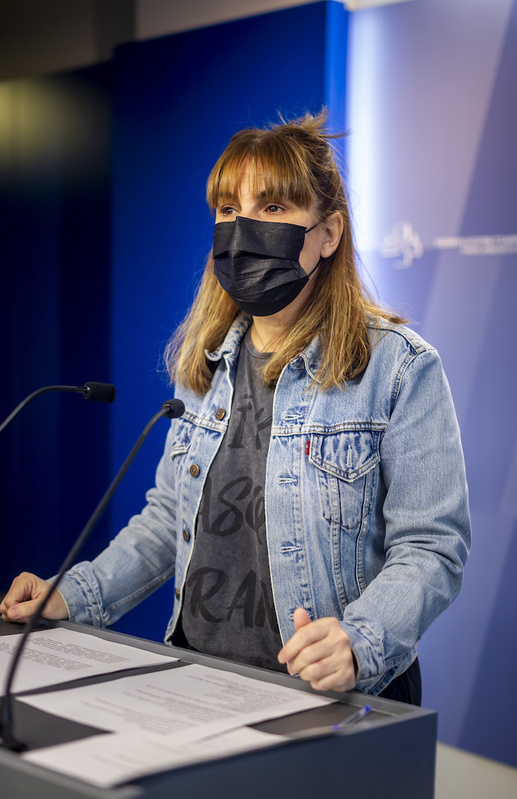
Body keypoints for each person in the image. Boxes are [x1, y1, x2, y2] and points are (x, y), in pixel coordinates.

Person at [0, 111, 471, 704]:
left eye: (272, 208)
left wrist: (359, 642)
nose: (243, 230)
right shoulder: (204, 363)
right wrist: (72, 594)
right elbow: (167, 519)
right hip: (202, 685)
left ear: (328, 233)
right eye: (228, 209)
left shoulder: (398, 367)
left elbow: (431, 546)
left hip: (330, 698)